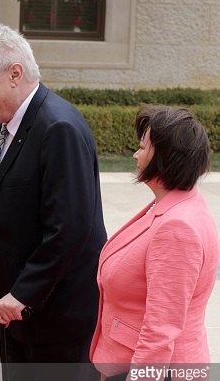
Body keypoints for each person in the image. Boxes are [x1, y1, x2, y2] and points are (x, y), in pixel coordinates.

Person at [0, 25, 107, 377]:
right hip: (13, 309)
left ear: (15, 74)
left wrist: (24, 292)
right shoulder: (3, 120)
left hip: (54, 316)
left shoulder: (59, 127)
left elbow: (71, 229)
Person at [90, 105, 220, 379]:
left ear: (163, 157)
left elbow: (161, 329)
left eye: (142, 147)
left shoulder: (177, 227)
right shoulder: (178, 205)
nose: (136, 154)